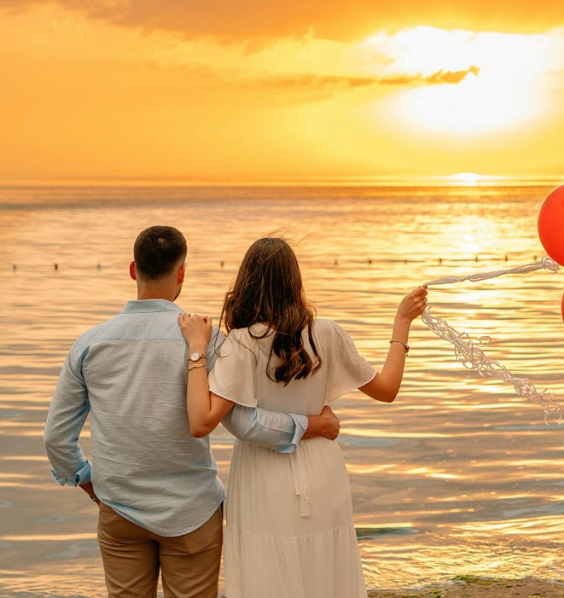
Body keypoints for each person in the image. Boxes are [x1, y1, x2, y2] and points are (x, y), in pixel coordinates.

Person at [43, 226, 341, 598]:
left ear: (133, 270)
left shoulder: (90, 344)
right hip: (192, 512)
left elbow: (56, 438)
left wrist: (87, 481)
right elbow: (246, 424)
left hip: (119, 508)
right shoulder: (205, 339)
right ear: (181, 273)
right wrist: (315, 424)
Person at [178, 236, 428, 598]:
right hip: (322, 468)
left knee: (266, 571)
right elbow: (387, 389)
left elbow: (202, 421)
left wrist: (197, 351)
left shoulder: (240, 343)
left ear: (245, 284)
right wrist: (402, 323)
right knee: (326, 570)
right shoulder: (326, 334)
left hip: (263, 476)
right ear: (296, 283)